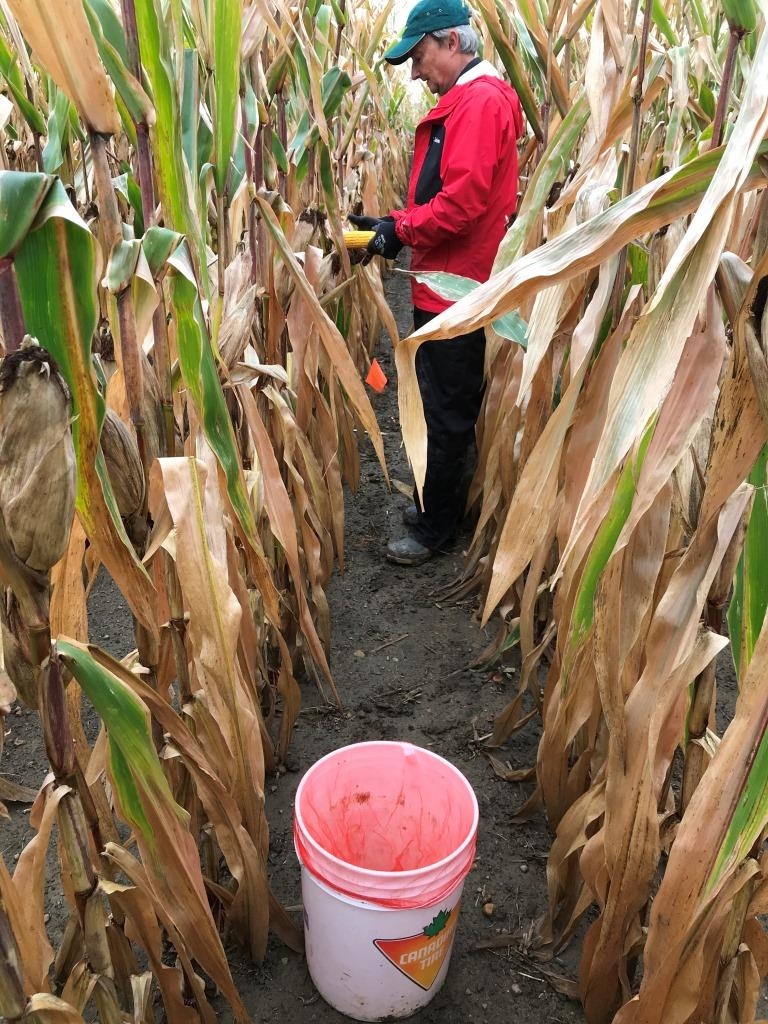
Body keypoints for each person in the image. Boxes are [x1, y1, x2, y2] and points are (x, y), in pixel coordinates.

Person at [350, 0, 524, 566]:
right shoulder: (471, 100)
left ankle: (435, 529)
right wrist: (388, 225)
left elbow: (462, 205)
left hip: (458, 286)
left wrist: (398, 230)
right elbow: (445, 199)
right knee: (440, 400)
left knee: (446, 409)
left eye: (419, 58)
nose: (415, 73)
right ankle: (439, 503)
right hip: (447, 280)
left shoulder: (479, 102)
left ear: (451, 42)